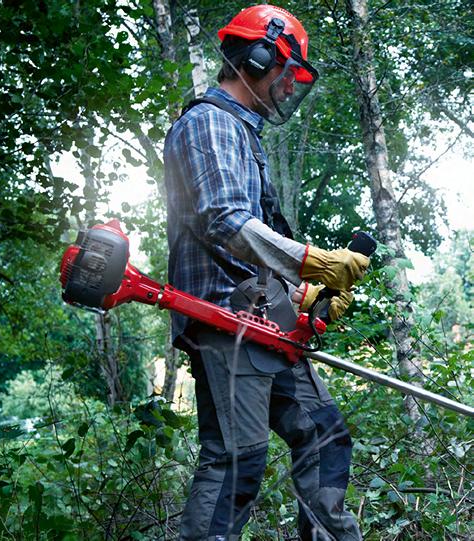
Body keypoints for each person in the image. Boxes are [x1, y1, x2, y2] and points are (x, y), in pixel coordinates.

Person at [163, 5, 368, 540]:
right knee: (237, 462)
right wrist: (312, 260)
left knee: (323, 435)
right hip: (226, 321)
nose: (287, 88)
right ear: (258, 59)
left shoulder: (243, 134)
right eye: (287, 73)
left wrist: (304, 294)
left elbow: (248, 244)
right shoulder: (209, 122)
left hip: (265, 322)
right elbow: (226, 222)